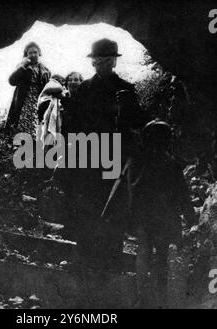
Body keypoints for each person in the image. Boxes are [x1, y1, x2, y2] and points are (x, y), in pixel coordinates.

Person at [71, 38, 149, 267]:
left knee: (114, 205)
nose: (103, 64)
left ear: (114, 62)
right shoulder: (84, 89)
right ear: (93, 62)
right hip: (89, 154)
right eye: (99, 60)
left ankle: (112, 257)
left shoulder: (126, 89)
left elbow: (137, 120)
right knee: (88, 203)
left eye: (108, 60)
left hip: (116, 155)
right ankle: (85, 255)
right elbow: (74, 123)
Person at [128, 120, 197, 308]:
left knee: (143, 254)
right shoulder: (172, 165)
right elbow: (183, 195)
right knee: (161, 259)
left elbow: (132, 191)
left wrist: (131, 219)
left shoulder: (139, 162)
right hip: (164, 220)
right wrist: (191, 218)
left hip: (145, 219)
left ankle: (143, 298)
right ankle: (160, 300)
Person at [6, 42, 51, 137]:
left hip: (37, 99)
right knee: (21, 120)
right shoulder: (22, 67)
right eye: (30, 53)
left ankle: (33, 146)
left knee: (36, 122)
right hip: (23, 98)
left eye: (35, 52)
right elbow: (12, 81)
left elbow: (47, 87)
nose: (33, 55)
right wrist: (23, 66)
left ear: (39, 53)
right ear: (26, 55)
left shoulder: (45, 70)